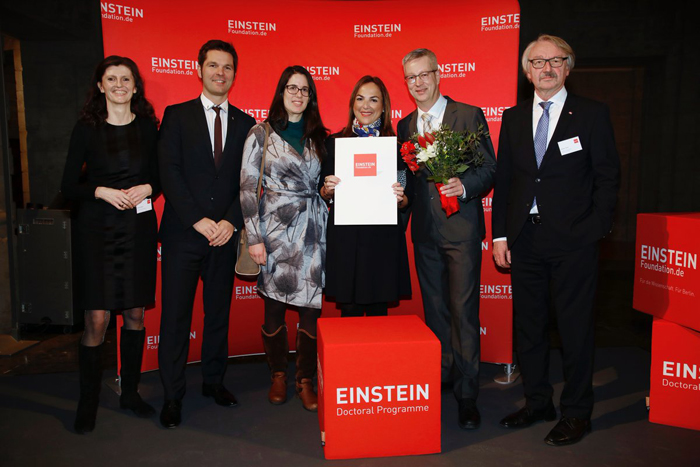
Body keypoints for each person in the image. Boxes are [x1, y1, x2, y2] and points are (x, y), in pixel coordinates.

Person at [492, 34, 620, 446]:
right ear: (527, 71)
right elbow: (506, 180)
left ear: (568, 67)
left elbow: (608, 178)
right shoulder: (512, 118)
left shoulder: (592, 114)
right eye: (538, 61)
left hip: (574, 242)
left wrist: (594, 229)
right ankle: (538, 401)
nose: (547, 68)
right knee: (528, 328)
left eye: (556, 61)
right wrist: (500, 235)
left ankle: (577, 411)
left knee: (575, 329)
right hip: (525, 240)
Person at [157, 40, 255, 428]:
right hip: (184, 234)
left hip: (225, 237)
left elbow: (248, 182)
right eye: (213, 65)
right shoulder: (176, 116)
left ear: (234, 73)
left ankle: (214, 382)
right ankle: (172, 394)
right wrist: (197, 219)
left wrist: (232, 221)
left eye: (227, 67)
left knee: (218, 315)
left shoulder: (248, 124)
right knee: (176, 319)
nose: (220, 73)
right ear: (199, 70)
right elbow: (170, 172)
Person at [397, 48, 496, 430]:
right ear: (405, 82)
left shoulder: (467, 115)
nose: (419, 82)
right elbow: (408, 182)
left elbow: (489, 168)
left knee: (463, 313)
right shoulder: (406, 125)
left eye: (425, 74)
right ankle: (444, 375)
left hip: (463, 232)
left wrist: (464, 185)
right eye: (411, 77)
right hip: (424, 233)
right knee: (436, 312)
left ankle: (468, 394)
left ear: (439, 75)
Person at [61, 56, 160, 434]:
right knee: (97, 319)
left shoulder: (150, 128)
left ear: (136, 87)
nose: (119, 84)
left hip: (138, 230)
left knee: (135, 314)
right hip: (97, 230)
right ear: (100, 86)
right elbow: (68, 185)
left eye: (126, 79)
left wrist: (148, 187)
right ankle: (87, 403)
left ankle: (130, 393)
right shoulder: (85, 129)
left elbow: (160, 176)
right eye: (111, 78)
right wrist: (100, 190)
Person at [241, 65, 329, 411]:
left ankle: (304, 379)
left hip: (312, 230)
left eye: (304, 90)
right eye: (291, 88)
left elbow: (325, 183)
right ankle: (278, 373)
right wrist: (254, 238)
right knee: (274, 307)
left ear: (311, 97)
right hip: (274, 231)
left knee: (310, 309)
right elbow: (248, 188)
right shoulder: (260, 134)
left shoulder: (319, 136)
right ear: (281, 92)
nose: (298, 94)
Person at [320, 75, 412, 317]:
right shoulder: (334, 144)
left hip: (381, 240)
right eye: (360, 99)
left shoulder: (396, 147)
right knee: (348, 311)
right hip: (346, 240)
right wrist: (327, 190)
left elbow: (405, 199)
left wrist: (400, 197)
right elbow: (322, 191)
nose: (366, 106)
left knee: (378, 312)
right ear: (352, 104)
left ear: (384, 106)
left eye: (374, 100)